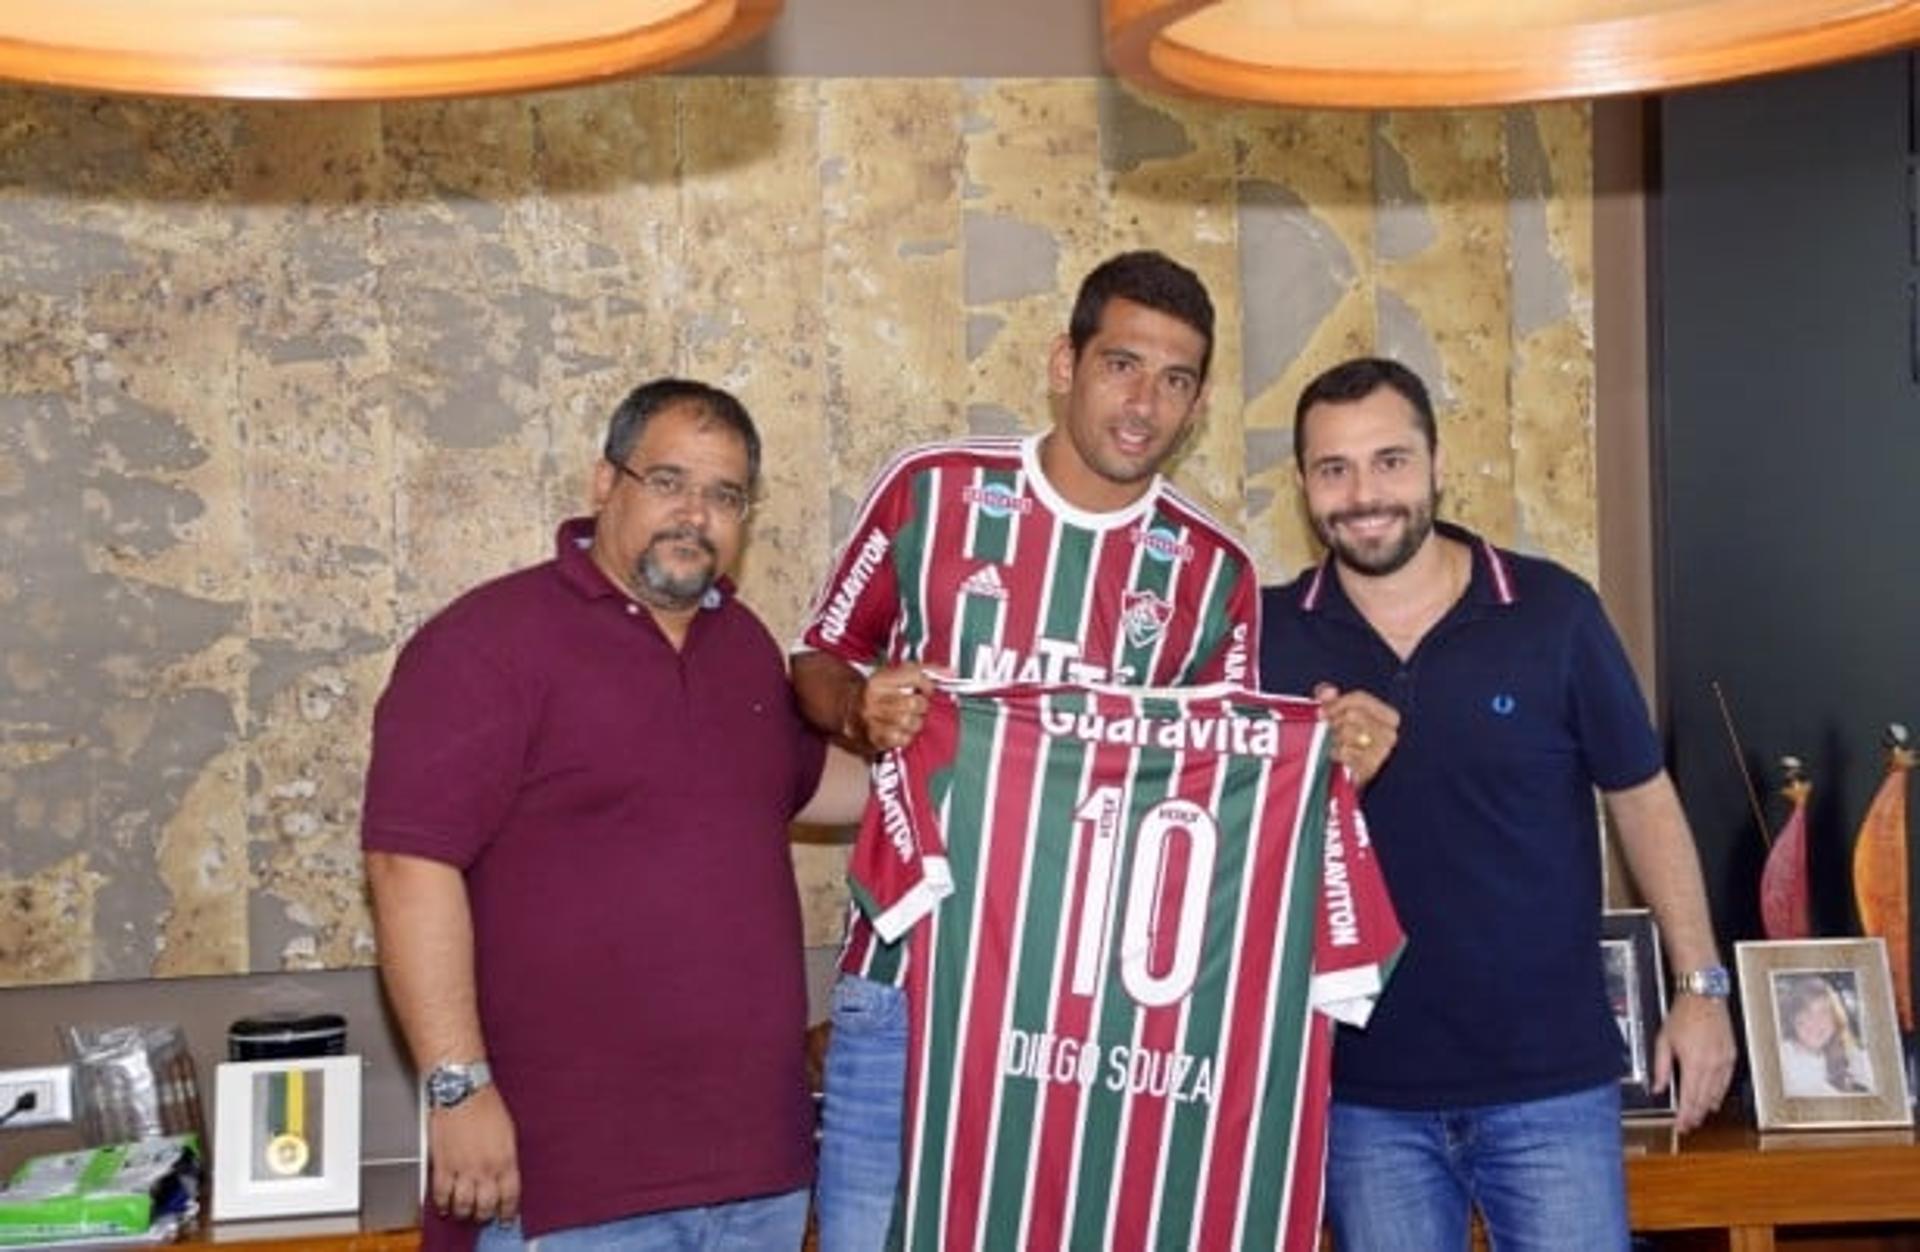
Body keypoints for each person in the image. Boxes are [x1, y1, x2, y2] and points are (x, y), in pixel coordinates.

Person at [791, 252, 1398, 1250]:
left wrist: (1328, 765)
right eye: (1122, 363)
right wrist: (861, 707)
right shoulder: (933, 491)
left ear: (1198, 404)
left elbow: (1224, 794)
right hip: (905, 984)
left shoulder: (1213, 572)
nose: (1144, 401)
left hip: (1092, 1020)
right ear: (1063, 361)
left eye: (1175, 380)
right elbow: (816, 655)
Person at [362, 379, 867, 1252]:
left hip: (759, 1179)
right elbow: (408, 865)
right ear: (606, 484)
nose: (694, 514)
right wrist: (457, 1087)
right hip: (565, 1191)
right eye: (668, 481)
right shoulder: (487, 644)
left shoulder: (742, 648)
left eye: (724, 495)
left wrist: (1001, 756)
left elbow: (825, 783)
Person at [1259, 357, 1738, 1252]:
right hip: (1360, 1097)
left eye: (1390, 461)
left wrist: (1701, 988)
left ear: (1439, 465)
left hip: (1550, 1087)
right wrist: (1313, 779)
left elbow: (1641, 798)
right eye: (1335, 469)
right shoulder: (1264, 638)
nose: (1365, 493)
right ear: (1303, 486)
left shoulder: (1552, 611)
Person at [1777, 974, 1875, 1097]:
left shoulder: (1848, 1055)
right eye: (1806, 1012)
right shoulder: (1782, 1057)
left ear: (1835, 1019)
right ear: (1793, 1019)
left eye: (1824, 1012)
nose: (1816, 1021)